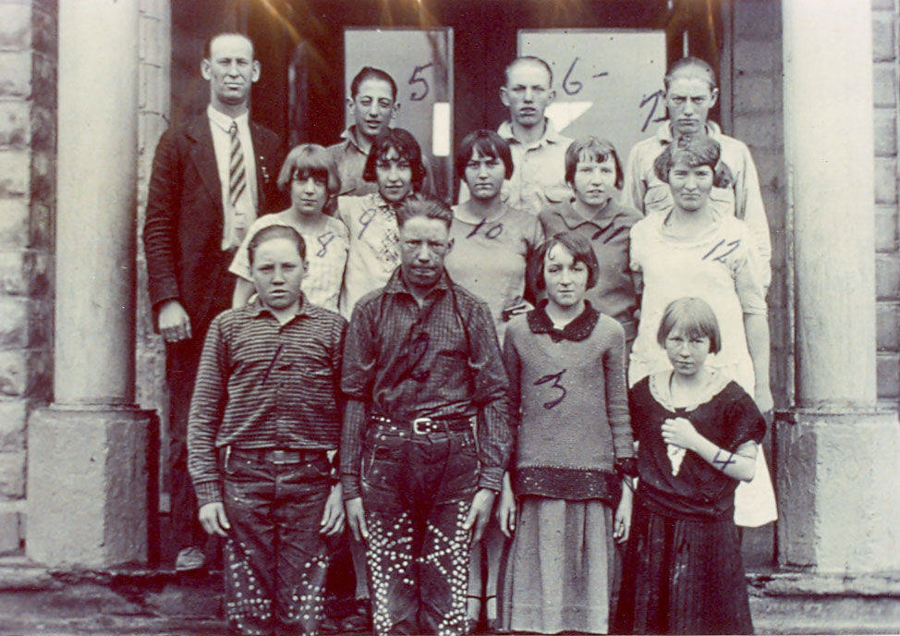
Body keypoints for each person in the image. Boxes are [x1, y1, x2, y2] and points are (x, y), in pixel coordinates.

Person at [142, 32, 284, 571]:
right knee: (192, 414)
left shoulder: (271, 144)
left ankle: (245, 541)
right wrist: (166, 300)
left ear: (255, 73)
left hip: (256, 290)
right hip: (196, 296)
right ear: (205, 69)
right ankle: (190, 539)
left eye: (241, 63)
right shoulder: (179, 141)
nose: (231, 71)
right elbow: (156, 226)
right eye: (221, 61)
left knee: (254, 411)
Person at [340, 197, 512, 636]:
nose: (422, 255)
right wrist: (349, 485)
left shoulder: (470, 311)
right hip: (385, 457)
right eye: (413, 242)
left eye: (434, 244)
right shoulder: (369, 310)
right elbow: (355, 399)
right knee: (391, 600)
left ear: (449, 246)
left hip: (453, 460)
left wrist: (489, 482)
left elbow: (493, 398)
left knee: (446, 597)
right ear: (396, 241)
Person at [187, 225, 346, 636]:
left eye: (288, 267)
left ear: (306, 268)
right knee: (248, 611)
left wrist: (342, 489)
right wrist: (207, 493)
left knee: (303, 611)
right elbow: (203, 416)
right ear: (251, 273)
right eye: (266, 268)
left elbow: (352, 417)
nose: (278, 278)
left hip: (311, 482)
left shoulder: (332, 329)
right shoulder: (228, 327)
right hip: (244, 479)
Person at [628, 135, 776, 529]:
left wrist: (761, 387)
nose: (690, 184)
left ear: (715, 177)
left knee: (726, 490)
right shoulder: (643, 234)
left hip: (722, 371)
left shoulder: (736, 235)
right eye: (681, 173)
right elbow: (643, 299)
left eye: (700, 173)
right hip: (659, 368)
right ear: (666, 177)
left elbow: (754, 311)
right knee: (663, 479)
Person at [498, 231, 636, 634]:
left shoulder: (609, 332)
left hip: (593, 478)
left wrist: (626, 489)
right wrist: (505, 483)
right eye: (554, 268)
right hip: (535, 477)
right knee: (538, 597)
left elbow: (619, 410)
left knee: (587, 595)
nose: (565, 278)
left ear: (590, 273)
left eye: (576, 268)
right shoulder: (519, 332)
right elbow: (506, 411)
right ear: (539, 275)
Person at [615, 297, 765, 634]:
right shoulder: (645, 393)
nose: (685, 351)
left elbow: (747, 469)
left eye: (696, 341)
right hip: (653, 526)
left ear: (712, 343)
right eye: (676, 339)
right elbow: (625, 453)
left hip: (708, 530)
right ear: (663, 340)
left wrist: (695, 441)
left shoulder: (731, 400)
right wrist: (626, 501)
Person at [445, 129, 542, 632]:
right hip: (453, 357)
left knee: (502, 464)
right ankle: (466, 581)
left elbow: (550, 288)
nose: (484, 173)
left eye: (494, 163)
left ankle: (497, 586)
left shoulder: (527, 224)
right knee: (465, 467)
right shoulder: (445, 223)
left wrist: (534, 308)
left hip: (509, 354)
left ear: (508, 169)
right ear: (462, 171)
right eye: (474, 164)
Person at [622, 56, 771, 288]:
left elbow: (754, 227)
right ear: (664, 99)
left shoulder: (734, 153)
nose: (688, 110)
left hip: (720, 284)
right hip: (662, 285)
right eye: (679, 100)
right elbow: (629, 227)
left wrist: (757, 292)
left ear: (713, 98)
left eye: (698, 99)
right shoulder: (643, 154)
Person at [539, 136, 641, 345]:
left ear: (616, 177)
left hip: (617, 337)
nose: (597, 180)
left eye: (605, 170)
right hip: (559, 337)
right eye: (586, 170)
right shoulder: (549, 219)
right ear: (570, 178)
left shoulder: (632, 222)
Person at [278, 66, 434, 197]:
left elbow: (429, 214)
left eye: (383, 104)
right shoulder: (330, 159)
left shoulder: (415, 160)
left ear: (394, 109)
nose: (374, 111)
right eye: (366, 102)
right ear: (351, 105)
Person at [230, 144, 348, 312]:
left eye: (319, 183)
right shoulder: (266, 226)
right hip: (270, 331)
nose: (309, 190)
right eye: (301, 181)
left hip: (324, 332)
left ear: (329, 188)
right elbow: (242, 293)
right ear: (289, 184)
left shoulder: (339, 231)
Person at [459, 56, 572, 213]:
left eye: (538, 89)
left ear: (550, 97)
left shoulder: (571, 154)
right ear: (505, 96)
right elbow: (466, 218)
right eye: (519, 89)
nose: (528, 98)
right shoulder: (479, 153)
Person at [336, 127, 427, 318]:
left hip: (410, 323)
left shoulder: (428, 215)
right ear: (373, 169)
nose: (393, 177)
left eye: (402, 166)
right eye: (384, 167)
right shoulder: (349, 209)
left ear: (414, 169)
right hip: (360, 323)